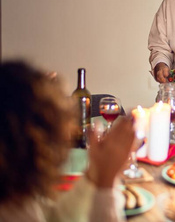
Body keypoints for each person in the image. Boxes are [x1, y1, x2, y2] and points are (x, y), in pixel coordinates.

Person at [0, 61, 135, 221]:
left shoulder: (16, 193)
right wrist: (106, 182)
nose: (66, 138)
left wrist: (94, 173)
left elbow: (56, 217)